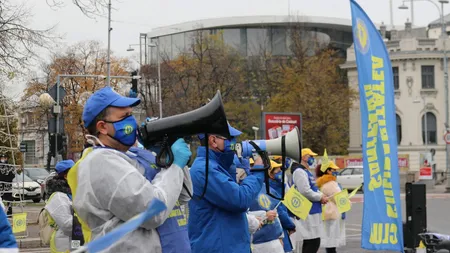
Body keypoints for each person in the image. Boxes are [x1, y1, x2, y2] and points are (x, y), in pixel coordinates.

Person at [69, 86, 192, 252]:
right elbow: (153, 211)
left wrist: (167, 155)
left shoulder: (132, 156)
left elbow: (183, 195)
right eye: (125, 116)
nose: (132, 122)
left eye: (131, 115)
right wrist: (176, 166)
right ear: (103, 127)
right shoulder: (101, 161)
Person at [188, 124, 265, 253]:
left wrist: (231, 163)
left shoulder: (216, 166)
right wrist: (258, 170)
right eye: (229, 138)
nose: (234, 143)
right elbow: (240, 199)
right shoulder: (205, 170)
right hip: (219, 247)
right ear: (213, 141)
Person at [127, 141, 192, 253]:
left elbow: (185, 196)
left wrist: (178, 163)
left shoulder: (149, 156)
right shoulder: (125, 163)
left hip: (179, 244)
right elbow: (150, 210)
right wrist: (176, 166)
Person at [249, 160, 294, 253]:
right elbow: (244, 216)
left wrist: (280, 236)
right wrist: (265, 216)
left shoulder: (269, 189)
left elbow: (277, 213)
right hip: (257, 243)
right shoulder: (245, 190)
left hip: (274, 240)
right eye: (277, 170)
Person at [290, 148, 327, 253]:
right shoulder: (299, 171)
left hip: (314, 210)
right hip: (308, 211)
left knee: (314, 240)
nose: (313, 159)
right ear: (303, 157)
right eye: (311, 156)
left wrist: (321, 195)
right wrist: (320, 197)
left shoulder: (306, 171)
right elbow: (305, 191)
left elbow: (313, 189)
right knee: (312, 241)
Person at [45, 160, 76, 253]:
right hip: (63, 245)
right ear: (66, 176)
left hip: (75, 242)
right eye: (75, 172)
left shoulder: (72, 193)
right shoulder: (58, 196)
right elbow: (67, 224)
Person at [316, 161, 347, 253]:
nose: (335, 171)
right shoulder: (330, 183)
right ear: (328, 171)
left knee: (329, 237)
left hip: (327, 212)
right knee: (331, 239)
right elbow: (338, 197)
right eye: (333, 170)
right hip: (332, 212)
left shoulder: (322, 182)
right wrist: (347, 201)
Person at [268, 160, 296, 253]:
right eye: (277, 170)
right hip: (278, 229)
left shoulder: (278, 186)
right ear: (270, 174)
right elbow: (279, 211)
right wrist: (291, 225)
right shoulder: (272, 189)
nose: (280, 172)